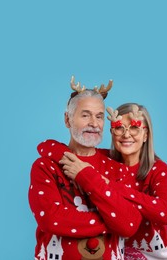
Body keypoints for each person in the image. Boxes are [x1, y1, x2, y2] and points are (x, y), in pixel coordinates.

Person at [28, 77, 142, 260]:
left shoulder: (118, 167)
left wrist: (85, 176)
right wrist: (113, 221)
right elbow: (51, 219)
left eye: (99, 116)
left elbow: (130, 224)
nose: (94, 123)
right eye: (85, 115)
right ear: (67, 119)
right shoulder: (45, 166)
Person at [60, 103, 167, 260]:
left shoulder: (158, 170)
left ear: (146, 135)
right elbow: (70, 153)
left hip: (153, 255)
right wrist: (47, 146)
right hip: (114, 253)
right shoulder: (102, 161)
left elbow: (166, 212)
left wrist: (107, 184)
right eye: (119, 128)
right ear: (111, 132)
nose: (126, 135)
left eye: (134, 128)